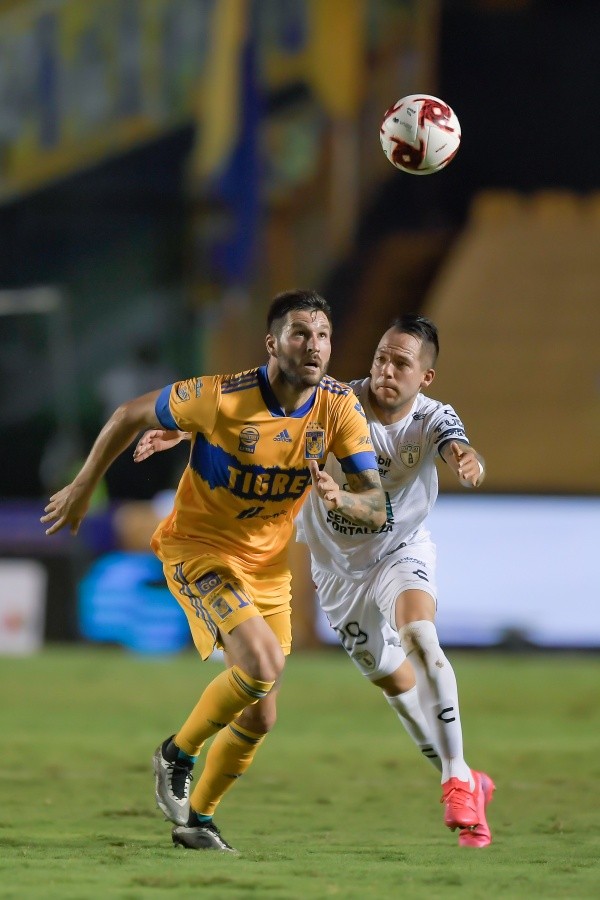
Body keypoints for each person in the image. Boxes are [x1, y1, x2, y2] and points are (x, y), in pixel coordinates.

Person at [41, 289, 386, 853]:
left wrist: (341, 499)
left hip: (269, 567)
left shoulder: (338, 410)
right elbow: (129, 413)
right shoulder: (220, 397)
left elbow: (375, 503)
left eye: (323, 335)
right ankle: (176, 754)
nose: (315, 345)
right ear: (272, 342)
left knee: (260, 716)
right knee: (260, 664)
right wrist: (83, 488)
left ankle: (196, 820)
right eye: (301, 333)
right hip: (199, 549)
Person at [139, 314, 494, 848]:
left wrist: (467, 457)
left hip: (400, 551)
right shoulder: (335, 403)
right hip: (335, 571)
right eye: (380, 356)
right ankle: (467, 779)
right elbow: (252, 409)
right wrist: (184, 426)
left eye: (401, 362)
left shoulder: (434, 418)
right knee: (394, 686)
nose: (385, 370)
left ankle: (456, 777)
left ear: (426, 377)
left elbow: (456, 446)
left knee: (420, 636)